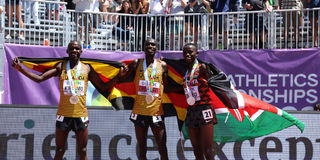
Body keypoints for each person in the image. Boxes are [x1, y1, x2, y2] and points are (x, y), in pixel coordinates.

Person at [11, 40, 123, 160]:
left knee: (83, 150)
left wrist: (118, 76)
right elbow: (40, 78)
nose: (74, 50)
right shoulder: (61, 67)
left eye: (77, 48)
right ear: (67, 51)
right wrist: (21, 69)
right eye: (72, 48)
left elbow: (103, 86)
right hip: (63, 115)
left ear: (81, 51)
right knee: (59, 150)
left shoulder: (87, 68)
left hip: (80, 115)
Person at [121, 38, 169, 160]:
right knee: (142, 148)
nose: (150, 46)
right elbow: (122, 78)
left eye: (153, 44)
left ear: (156, 48)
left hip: (156, 111)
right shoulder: (136, 63)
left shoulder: (163, 65)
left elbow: (167, 86)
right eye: (147, 44)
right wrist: (120, 74)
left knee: (162, 146)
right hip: (139, 111)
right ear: (143, 47)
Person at [181, 43, 217, 160]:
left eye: (190, 52)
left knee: (207, 150)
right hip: (191, 110)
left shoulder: (202, 67)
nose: (187, 54)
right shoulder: (185, 72)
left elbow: (212, 82)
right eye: (185, 52)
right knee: (197, 151)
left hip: (204, 108)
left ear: (197, 53)